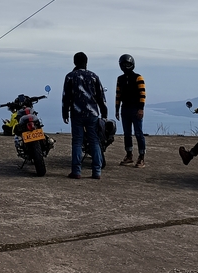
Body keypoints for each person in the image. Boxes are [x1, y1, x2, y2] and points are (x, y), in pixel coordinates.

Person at [62, 51, 108, 180]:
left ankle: (76, 171)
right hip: (92, 113)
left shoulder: (70, 76)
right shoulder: (94, 76)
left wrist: (65, 112)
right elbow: (100, 97)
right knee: (94, 141)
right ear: (86, 62)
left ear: (74, 62)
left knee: (77, 141)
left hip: (76, 113)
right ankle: (96, 172)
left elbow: (66, 97)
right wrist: (104, 112)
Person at [115, 55, 146, 167]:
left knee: (138, 133)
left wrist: (141, 109)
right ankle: (129, 155)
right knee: (127, 134)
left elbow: (142, 94)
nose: (126, 66)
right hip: (125, 109)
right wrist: (117, 109)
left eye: (128, 64)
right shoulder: (120, 79)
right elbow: (118, 95)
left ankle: (141, 157)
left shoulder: (138, 78)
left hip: (135, 109)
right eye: (124, 64)